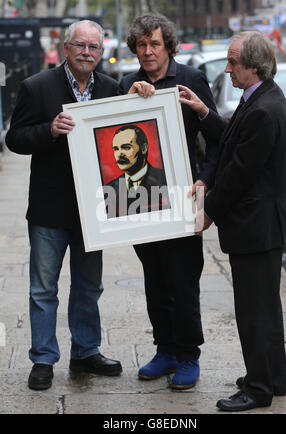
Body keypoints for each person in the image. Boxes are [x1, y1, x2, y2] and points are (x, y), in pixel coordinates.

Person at [6, 19, 151, 391]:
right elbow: (15, 139)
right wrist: (49, 131)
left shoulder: (111, 88)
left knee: (89, 287)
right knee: (43, 288)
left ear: (101, 53)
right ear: (66, 47)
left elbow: (128, 132)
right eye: (80, 46)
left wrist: (140, 94)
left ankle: (85, 351)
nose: (87, 53)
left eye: (94, 48)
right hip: (50, 209)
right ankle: (43, 359)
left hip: (94, 211)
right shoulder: (36, 87)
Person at [178, 31, 286, 411]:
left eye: (233, 63)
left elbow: (239, 171)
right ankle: (273, 376)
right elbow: (234, 142)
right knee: (266, 309)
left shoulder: (262, 108)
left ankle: (258, 389)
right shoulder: (262, 97)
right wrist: (204, 112)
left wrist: (208, 212)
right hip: (260, 226)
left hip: (256, 228)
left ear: (253, 67)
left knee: (254, 313)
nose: (227, 69)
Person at [119, 13, 218, 389]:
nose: (147, 51)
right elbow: (112, 140)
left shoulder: (191, 79)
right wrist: (127, 103)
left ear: (169, 46)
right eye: (141, 45)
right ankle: (165, 352)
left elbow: (217, 137)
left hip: (181, 197)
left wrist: (204, 181)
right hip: (140, 201)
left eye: (154, 44)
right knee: (155, 278)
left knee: (182, 279)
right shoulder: (127, 83)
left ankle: (189, 355)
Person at [106, 124, 170, 217]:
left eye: (126, 147)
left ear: (143, 148)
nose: (119, 154)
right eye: (116, 149)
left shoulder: (166, 179)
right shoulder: (109, 189)